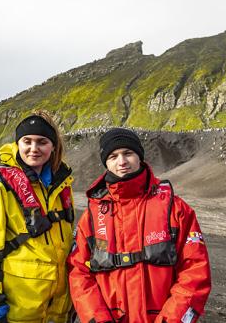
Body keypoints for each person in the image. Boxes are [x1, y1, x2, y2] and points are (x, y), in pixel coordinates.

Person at [67, 128, 211, 323]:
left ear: (139, 156)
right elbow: (79, 272)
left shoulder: (176, 210)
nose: (122, 162)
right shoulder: (92, 217)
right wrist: (96, 319)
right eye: (113, 156)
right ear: (105, 162)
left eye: (128, 153)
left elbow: (195, 272)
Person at [0, 111, 75, 323]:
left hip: (60, 303)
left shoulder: (62, 186)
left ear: (53, 146)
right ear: (17, 144)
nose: (34, 148)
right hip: (20, 305)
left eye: (42, 142)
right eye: (27, 141)